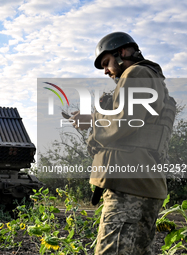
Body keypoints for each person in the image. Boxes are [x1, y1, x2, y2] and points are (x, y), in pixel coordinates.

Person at [71, 32, 176, 254]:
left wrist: (92, 121)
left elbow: (124, 121)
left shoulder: (136, 73)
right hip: (146, 185)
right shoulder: (154, 81)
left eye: (106, 63)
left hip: (128, 188)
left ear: (122, 53)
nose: (106, 71)